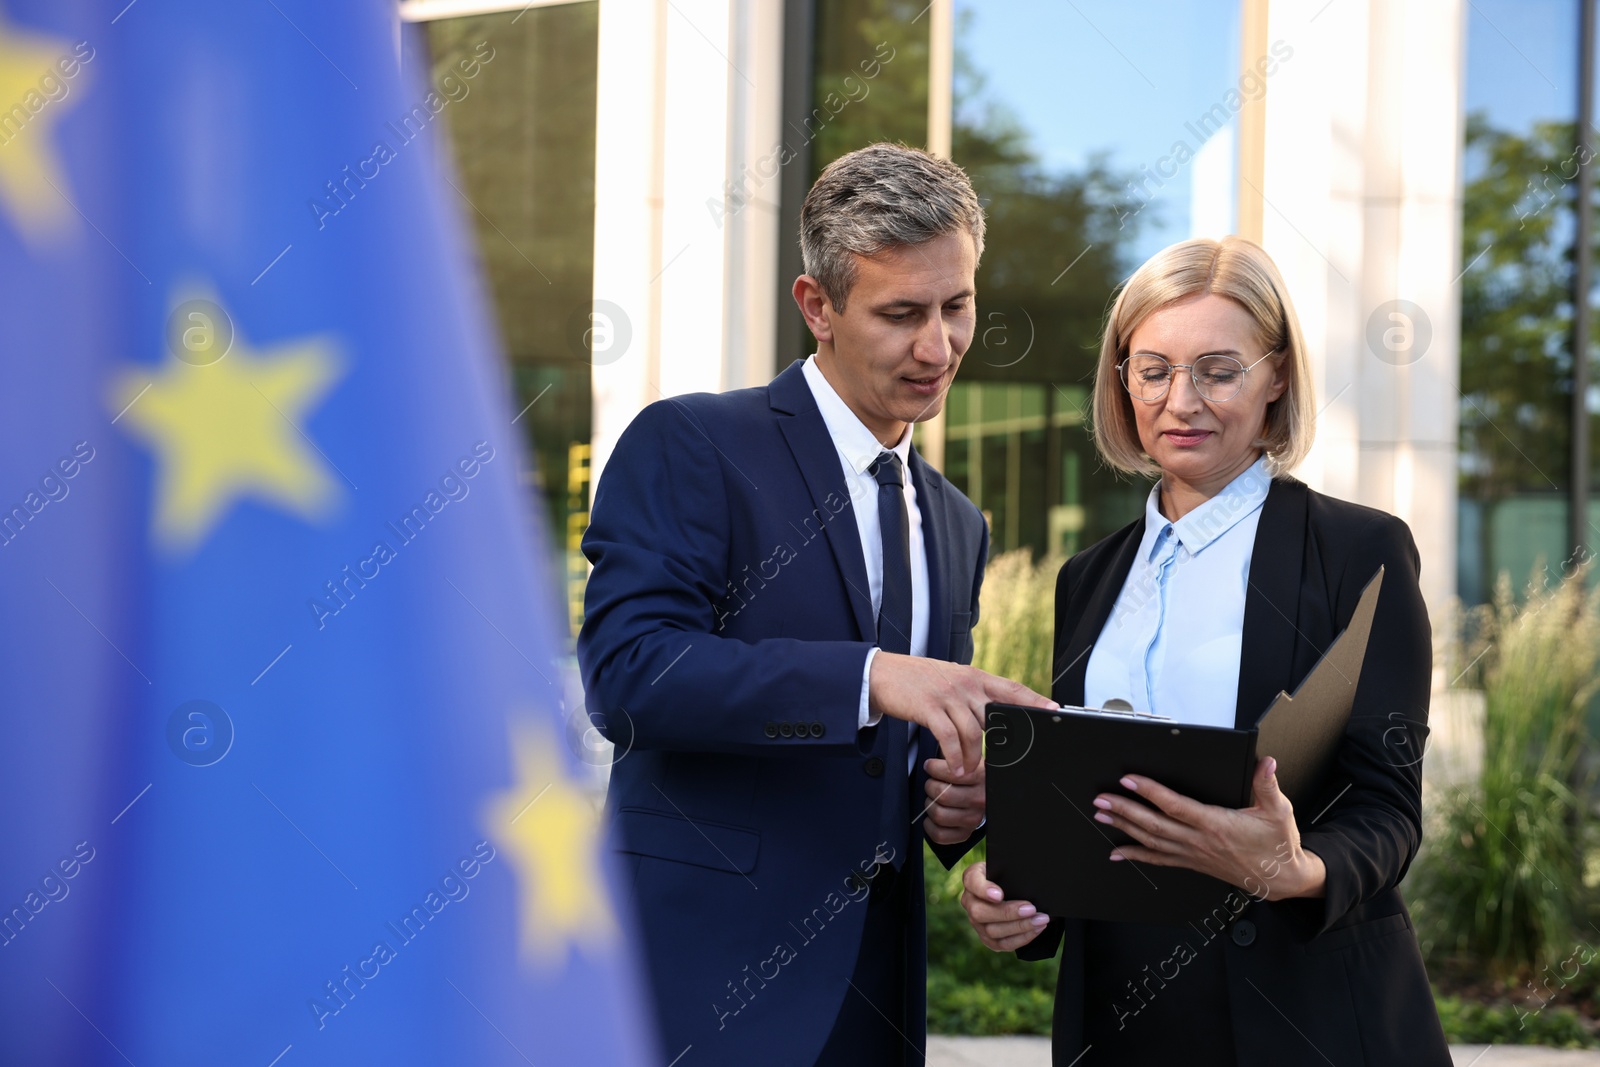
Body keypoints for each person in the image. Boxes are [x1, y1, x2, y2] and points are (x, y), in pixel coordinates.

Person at [579, 142, 1054, 1067]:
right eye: (901, 313)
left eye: (957, 306)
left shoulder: (959, 522)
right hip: (699, 997)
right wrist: (874, 677)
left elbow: (897, 769)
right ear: (817, 306)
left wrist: (960, 804)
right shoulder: (693, 444)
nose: (938, 345)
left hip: (875, 1007)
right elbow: (630, 675)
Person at [959, 236, 1451, 1065]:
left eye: (1218, 370)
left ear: (1278, 376)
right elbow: (1084, 800)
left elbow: (1390, 806)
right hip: (1118, 1019)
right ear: (1123, 382)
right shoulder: (1088, 576)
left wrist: (1297, 867)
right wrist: (1017, 899)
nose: (1180, 400)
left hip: (1305, 1016)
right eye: (1152, 370)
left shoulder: (1358, 550)